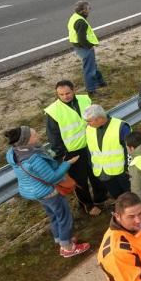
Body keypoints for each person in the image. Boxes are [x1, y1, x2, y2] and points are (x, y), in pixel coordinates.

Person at [5, 126, 91, 258]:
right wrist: (67, 164)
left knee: (54, 215)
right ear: (26, 140)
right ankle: (68, 248)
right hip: (48, 192)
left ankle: (60, 239)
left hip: (34, 191)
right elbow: (52, 177)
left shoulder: (13, 153)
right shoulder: (34, 158)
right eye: (34, 135)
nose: (38, 135)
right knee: (64, 217)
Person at [45, 80, 106, 215]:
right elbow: (53, 136)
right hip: (72, 152)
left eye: (67, 93)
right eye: (61, 94)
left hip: (91, 145)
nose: (65, 96)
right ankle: (88, 206)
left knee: (97, 173)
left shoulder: (85, 99)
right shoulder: (53, 111)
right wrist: (64, 156)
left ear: (74, 90)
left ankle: (101, 197)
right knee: (80, 181)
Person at [84, 104, 132, 199]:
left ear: (99, 118)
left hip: (122, 173)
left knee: (131, 196)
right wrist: (91, 164)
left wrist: (128, 168)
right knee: (117, 197)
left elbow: (130, 149)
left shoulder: (121, 127)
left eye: (89, 121)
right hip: (102, 172)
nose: (88, 124)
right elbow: (89, 148)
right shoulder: (89, 128)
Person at [67, 0, 106, 95]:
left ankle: (100, 82)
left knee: (92, 66)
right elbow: (82, 39)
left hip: (78, 46)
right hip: (84, 47)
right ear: (82, 10)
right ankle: (91, 90)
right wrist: (89, 46)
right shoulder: (81, 22)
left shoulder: (75, 17)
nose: (90, 10)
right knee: (89, 69)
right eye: (88, 8)